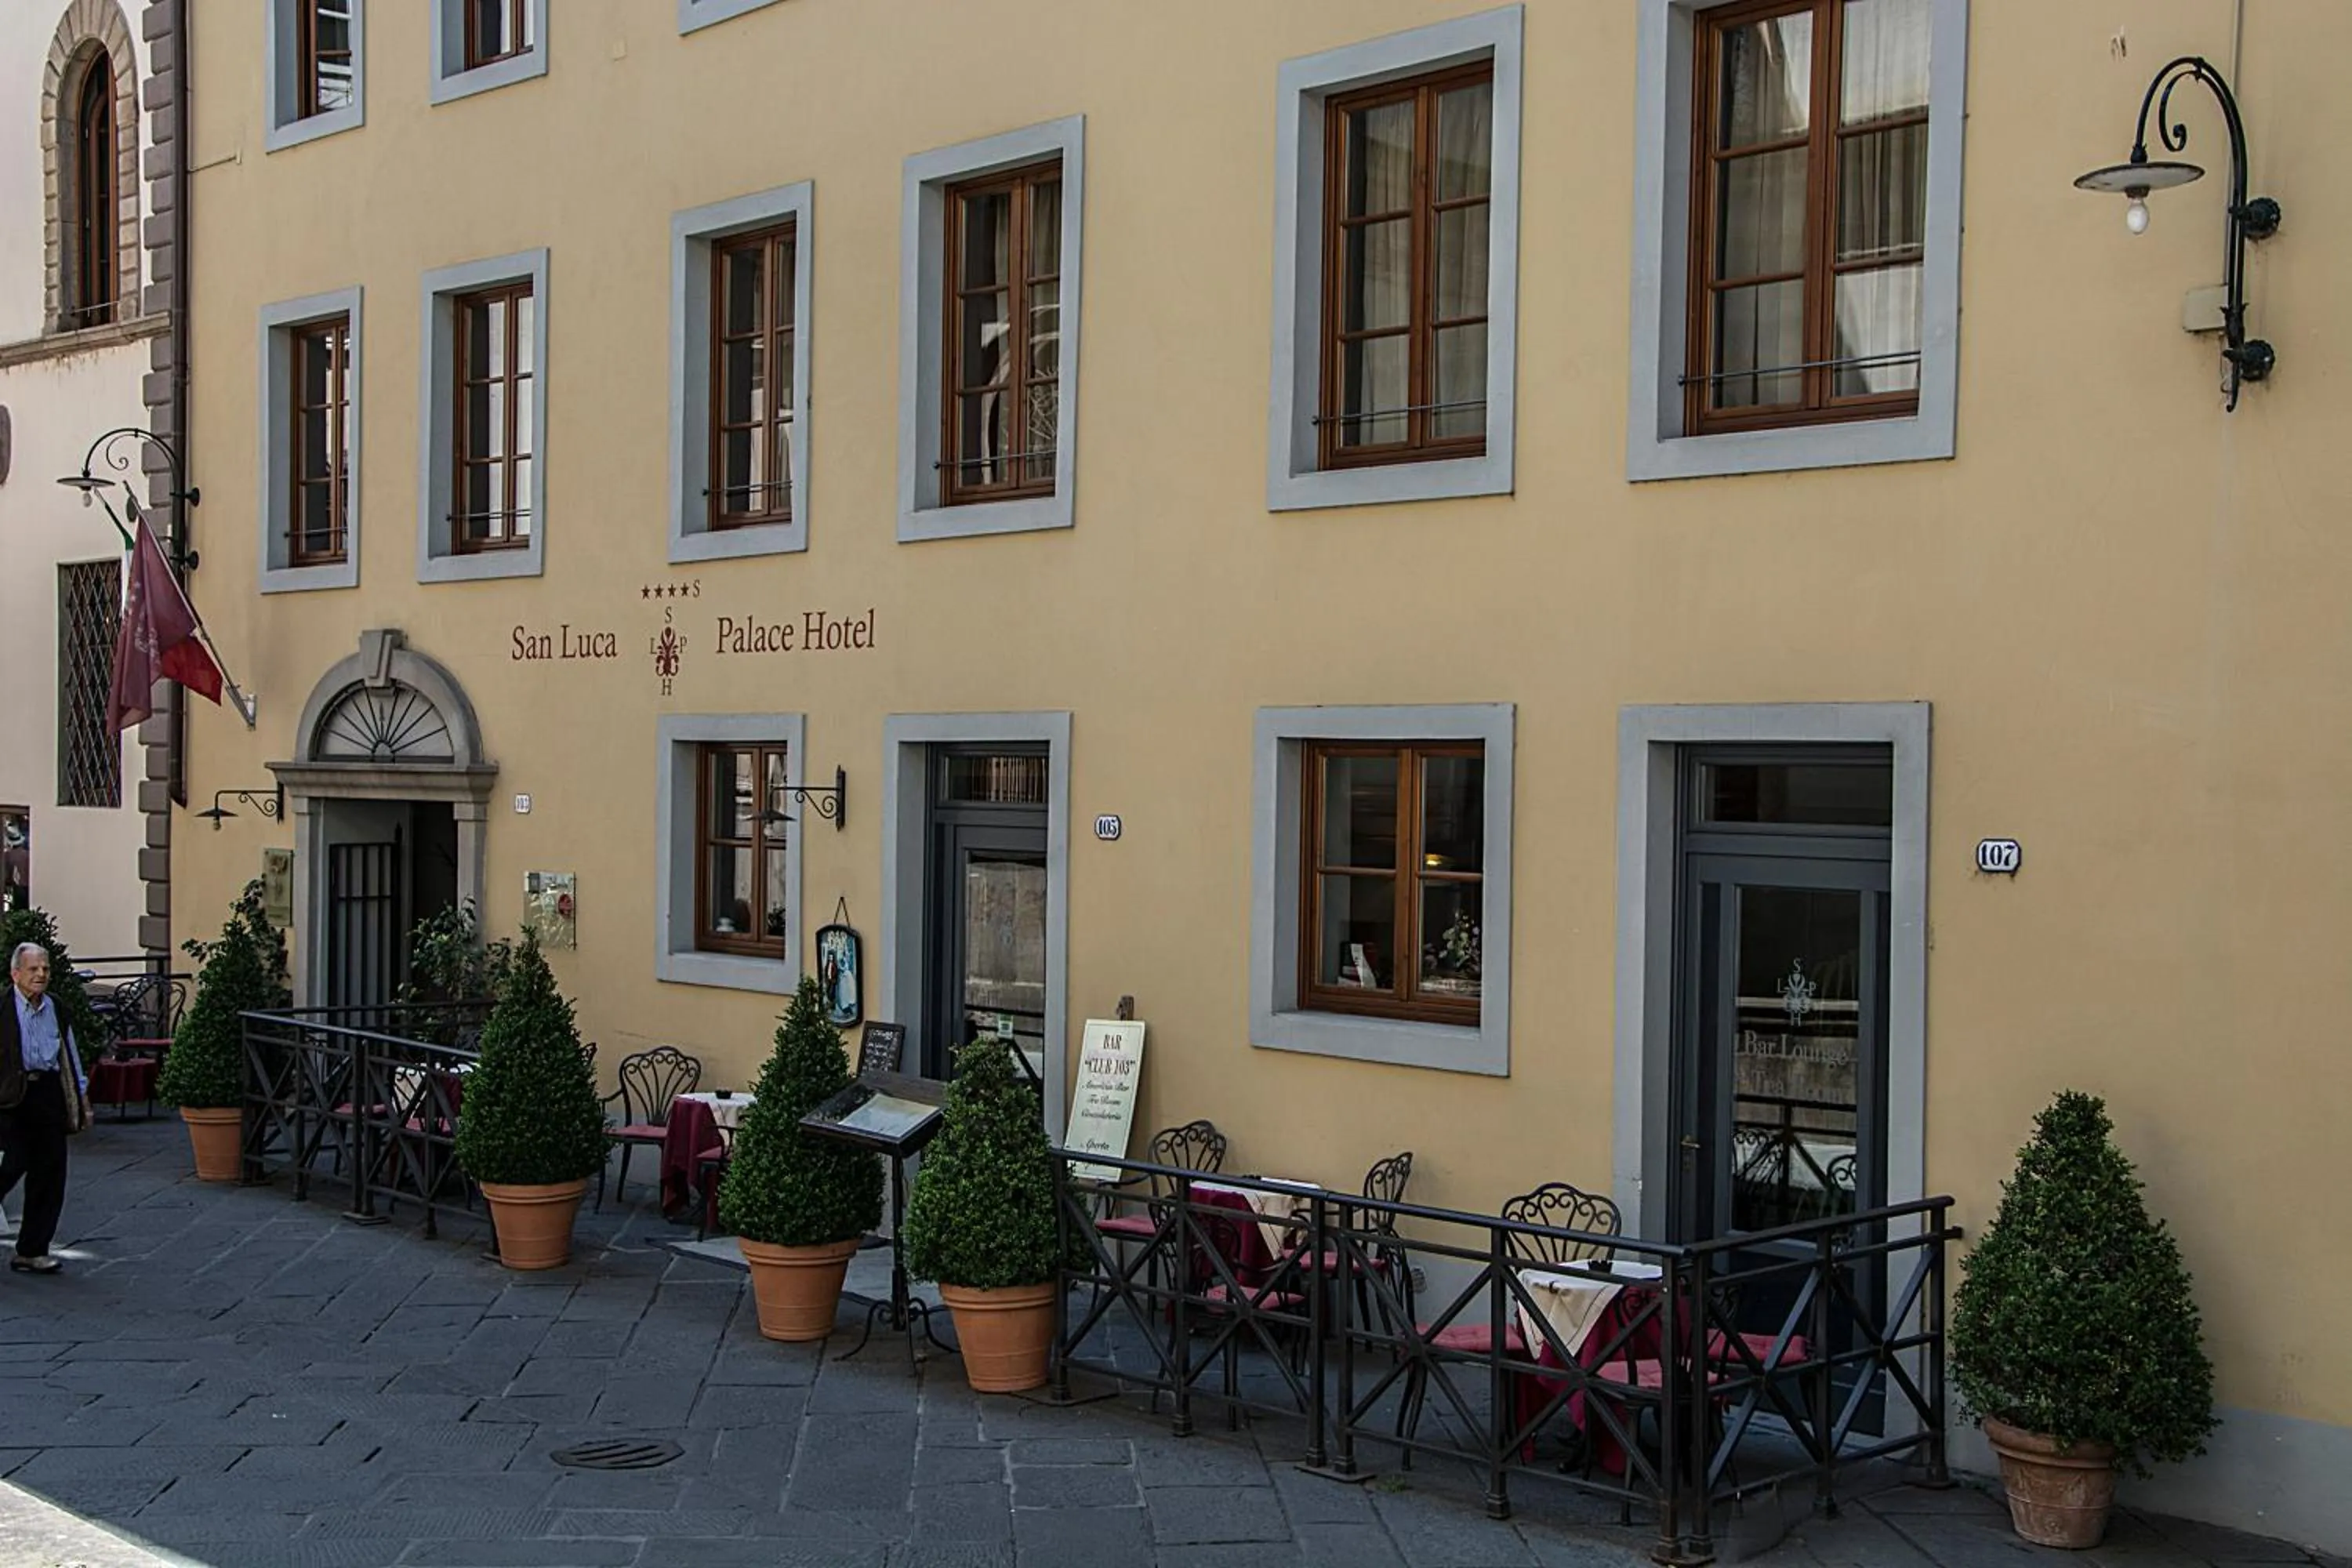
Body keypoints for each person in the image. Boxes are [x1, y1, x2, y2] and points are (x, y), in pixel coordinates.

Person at [0, 942, 85, 1274]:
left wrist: (81, 1097)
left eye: (45, 969)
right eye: (34, 969)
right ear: (16, 973)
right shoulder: (4, 1007)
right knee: (10, 1164)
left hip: (47, 1094)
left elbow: (69, 1052)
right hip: (10, 1097)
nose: (41, 975)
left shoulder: (56, 1007)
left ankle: (32, 1250)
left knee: (50, 1173)